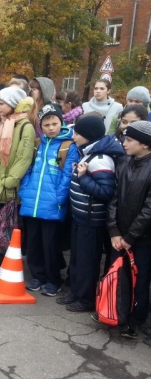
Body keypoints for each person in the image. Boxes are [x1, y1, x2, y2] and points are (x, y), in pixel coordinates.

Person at [56, 115, 124, 312]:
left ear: (88, 135)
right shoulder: (87, 152)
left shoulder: (101, 159)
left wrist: (83, 177)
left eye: (77, 132)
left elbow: (106, 192)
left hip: (91, 218)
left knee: (87, 261)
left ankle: (86, 299)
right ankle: (76, 293)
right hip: (80, 216)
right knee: (77, 258)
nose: (73, 135)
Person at [19, 105, 79, 297]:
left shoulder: (68, 146)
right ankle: (38, 276)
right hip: (32, 201)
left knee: (50, 244)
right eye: (47, 124)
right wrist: (25, 190)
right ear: (41, 126)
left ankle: (54, 279)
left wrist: (58, 199)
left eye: (55, 123)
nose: (51, 128)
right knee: (33, 242)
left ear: (61, 123)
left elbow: (67, 176)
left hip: (52, 204)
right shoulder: (38, 144)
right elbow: (27, 170)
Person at [0, 87, 36, 272]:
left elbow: (23, 157)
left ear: (13, 105)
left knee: (7, 224)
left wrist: (10, 180)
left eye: (1, 103)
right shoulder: (4, 124)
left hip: (8, 185)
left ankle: (2, 260)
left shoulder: (25, 126)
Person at [107, 120, 151, 339]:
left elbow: (149, 209)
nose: (124, 142)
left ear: (145, 145)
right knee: (120, 276)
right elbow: (114, 198)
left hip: (141, 239)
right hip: (120, 236)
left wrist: (131, 236)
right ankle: (117, 313)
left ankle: (135, 320)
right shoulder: (124, 163)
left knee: (139, 280)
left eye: (130, 139)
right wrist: (114, 231)